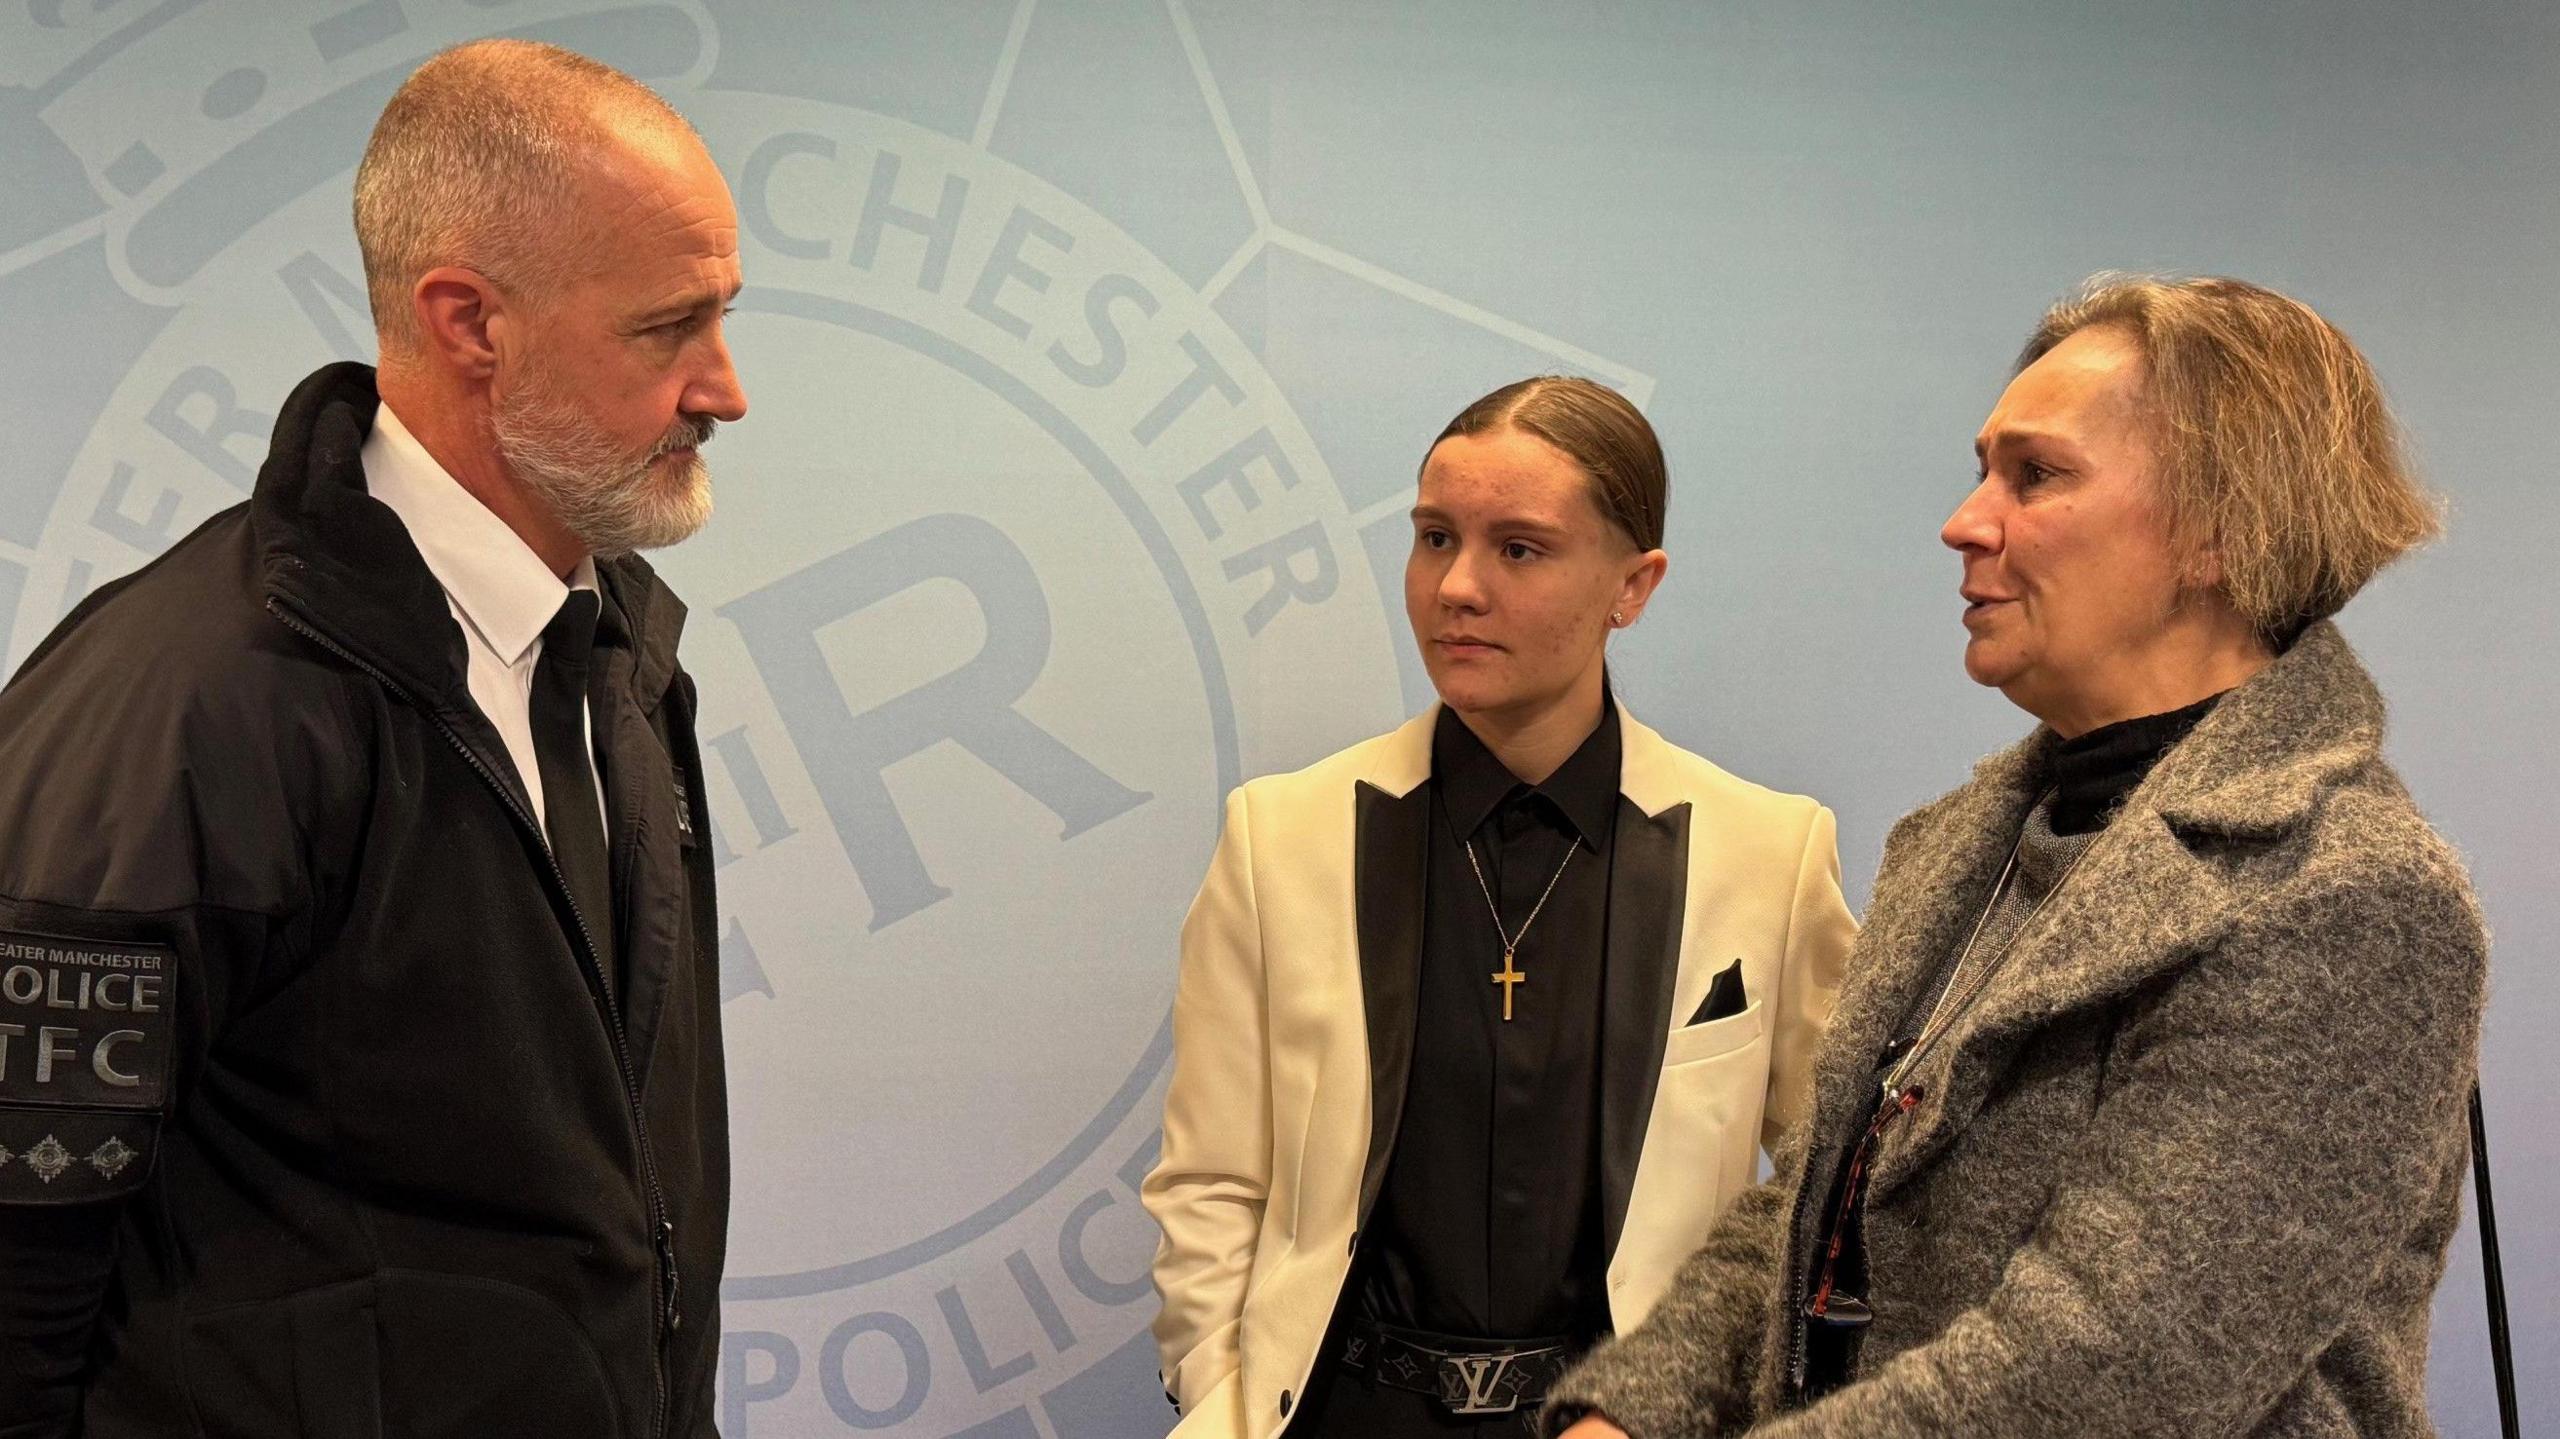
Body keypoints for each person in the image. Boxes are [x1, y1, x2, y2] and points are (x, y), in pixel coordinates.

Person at [1548, 275, 2487, 1439]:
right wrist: (1623, 1416)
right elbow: (1810, 1213)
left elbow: (2112, 1369)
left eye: (2033, 475)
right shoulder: (1962, 843)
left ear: (2221, 528)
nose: (1964, 519)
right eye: (1983, 467)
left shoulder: (2343, 894)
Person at [0, 39, 746, 1438]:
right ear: (469, 319)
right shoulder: (194, 700)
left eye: (724, 317)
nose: (725, 388)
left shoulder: (625, 666)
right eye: (666, 329)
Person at [1144, 377, 1857, 1438]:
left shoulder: (1767, 850)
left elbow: (1829, 1192)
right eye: (1434, 538)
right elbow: (1211, 1178)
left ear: (1633, 585)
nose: (1456, 587)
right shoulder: (1278, 836)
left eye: (1517, 548)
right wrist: (1221, 1397)